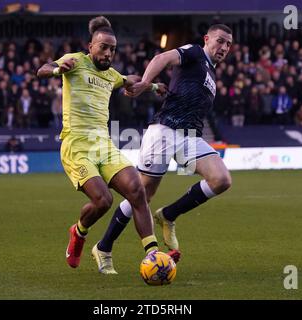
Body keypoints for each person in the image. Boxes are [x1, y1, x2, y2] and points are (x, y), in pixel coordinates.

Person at [94, 24, 233, 274]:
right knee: (141, 195)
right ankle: (103, 247)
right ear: (206, 39)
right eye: (220, 41)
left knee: (221, 179)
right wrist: (146, 82)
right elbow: (162, 58)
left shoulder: (211, 74)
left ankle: (168, 215)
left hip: (190, 136)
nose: (224, 47)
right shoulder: (194, 52)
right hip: (165, 130)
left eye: (228, 44)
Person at [37, 16, 166, 272]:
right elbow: (41, 70)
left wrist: (153, 86)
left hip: (104, 145)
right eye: (103, 47)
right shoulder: (74, 61)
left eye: (113, 48)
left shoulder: (111, 75)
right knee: (103, 201)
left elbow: (128, 80)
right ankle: (79, 231)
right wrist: (56, 70)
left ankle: (153, 255)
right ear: (90, 46)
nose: (108, 53)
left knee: (138, 191)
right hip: (77, 146)